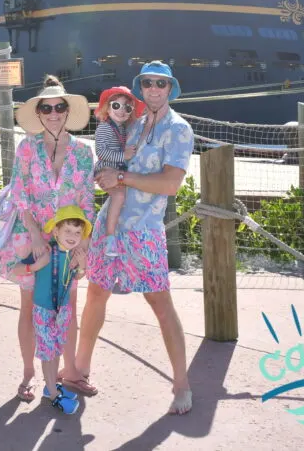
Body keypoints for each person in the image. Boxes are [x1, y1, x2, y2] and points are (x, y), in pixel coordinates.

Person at [75, 61, 196, 415]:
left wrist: (122, 179)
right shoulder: (136, 123)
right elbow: (112, 161)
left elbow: (171, 184)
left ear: (170, 88)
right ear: (141, 88)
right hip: (109, 226)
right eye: (147, 83)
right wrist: (107, 175)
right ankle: (79, 370)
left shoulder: (178, 129)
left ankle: (182, 384)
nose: (154, 89)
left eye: (161, 83)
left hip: (143, 231)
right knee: (96, 292)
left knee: (160, 305)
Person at [0, 75, 98, 402]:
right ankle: (29, 373)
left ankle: (69, 374)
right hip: (30, 240)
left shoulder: (83, 153)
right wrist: (36, 237)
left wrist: (82, 244)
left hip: (68, 243)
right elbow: (19, 193)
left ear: (68, 111)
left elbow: (86, 201)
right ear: (38, 113)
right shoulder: (28, 147)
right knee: (29, 307)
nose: (53, 113)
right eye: (46, 108)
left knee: (67, 307)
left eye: (59, 107)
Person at [9, 205, 93, 414]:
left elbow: (76, 277)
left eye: (77, 232)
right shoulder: (44, 251)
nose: (73, 236)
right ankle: (55, 397)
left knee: (56, 350)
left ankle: (51, 387)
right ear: (56, 231)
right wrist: (35, 267)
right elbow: (15, 269)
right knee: (48, 354)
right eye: (67, 231)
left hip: (62, 312)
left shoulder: (73, 255)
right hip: (44, 311)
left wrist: (82, 266)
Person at [92, 86, 141, 257]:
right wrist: (124, 155)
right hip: (105, 169)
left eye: (127, 108)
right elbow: (101, 152)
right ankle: (110, 238)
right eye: (116, 106)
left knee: (124, 196)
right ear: (107, 107)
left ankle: (117, 232)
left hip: (116, 169)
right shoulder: (104, 128)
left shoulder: (121, 128)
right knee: (119, 196)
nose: (121, 111)